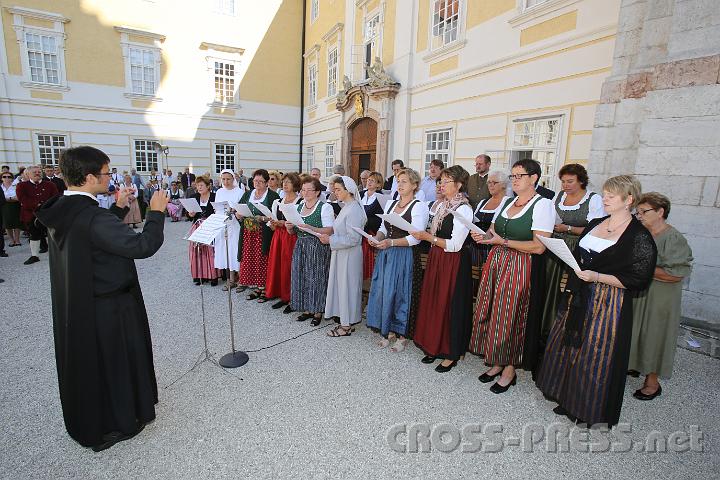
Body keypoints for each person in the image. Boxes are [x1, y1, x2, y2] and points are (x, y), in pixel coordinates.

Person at [35, 145, 169, 452]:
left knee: (100, 362)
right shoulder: (91, 217)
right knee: (115, 362)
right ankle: (119, 420)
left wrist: (118, 209)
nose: (111, 178)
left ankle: (103, 412)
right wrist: (156, 212)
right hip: (109, 306)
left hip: (83, 301)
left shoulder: (64, 208)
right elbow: (142, 246)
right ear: (89, 177)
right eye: (107, 173)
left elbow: (89, 238)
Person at [535, 175, 656, 427]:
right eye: (605, 194)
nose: (605, 199)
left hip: (608, 301)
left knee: (595, 353)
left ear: (629, 199)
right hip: (580, 292)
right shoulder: (596, 223)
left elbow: (639, 279)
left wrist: (598, 276)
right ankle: (565, 396)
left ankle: (586, 407)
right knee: (570, 344)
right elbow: (579, 255)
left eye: (612, 195)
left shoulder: (639, 236)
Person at [468, 159, 555, 394]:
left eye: (520, 176)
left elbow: (539, 247)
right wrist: (483, 236)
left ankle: (510, 368)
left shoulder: (542, 205)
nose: (515, 180)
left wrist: (502, 242)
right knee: (493, 309)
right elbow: (493, 231)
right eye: (513, 176)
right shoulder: (508, 202)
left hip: (521, 264)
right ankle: (496, 361)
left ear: (534, 178)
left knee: (512, 314)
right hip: (497, 260)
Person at [629, 192, 693, 401]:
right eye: (637, 212)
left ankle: (652, 382)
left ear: (660, 212)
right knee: (635, 330)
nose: (639, 216)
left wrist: (643, 269)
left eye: (643, 212)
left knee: (655, 336)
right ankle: (633, 365)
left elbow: (676, 274)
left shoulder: (673, 238)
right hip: (639, 292)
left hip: (661, 297)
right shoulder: (640, 233)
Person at [411, 165, 474, 372]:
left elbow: (455, 244)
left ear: (459, 185)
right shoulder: (442, 206)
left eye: (446, 181)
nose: (442, 185)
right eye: (441, 181)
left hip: (453, 261)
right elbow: (434, 231)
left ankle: (450, 352)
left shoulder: (463, 208)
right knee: (434, 301)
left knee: (449, 305)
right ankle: (434, 345)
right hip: (438, 256)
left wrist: (428, 237)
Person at [366, 168, 429, 350]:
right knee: (385, 290)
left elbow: (416, 237)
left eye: (404, 181)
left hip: (404, 254)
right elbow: (383, 228)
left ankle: (402, 335)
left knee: (401, 293)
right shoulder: (390, 204)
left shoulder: (419, 206)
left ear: (414, 185)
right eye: (398, 181)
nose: (400, 185)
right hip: (387, 253)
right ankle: (388, 330)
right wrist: (376, 238)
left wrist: (390, 243)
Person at [540, 164, 605, 336]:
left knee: (569, 287)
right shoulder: (559, 196)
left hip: (578, 248)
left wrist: (568, 228)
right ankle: (545, 322)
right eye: (563, 182)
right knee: (549, 283)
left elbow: (596, 229)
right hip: (555, 246)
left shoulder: (593, 199)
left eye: (570, 181)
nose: (565, 185)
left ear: (581, 181)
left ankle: (562, 325)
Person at [321, 176, 367, 336]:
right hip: (341, 253)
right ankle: (346, 320)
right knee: (342, 286)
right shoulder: (347, 206)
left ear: (349, 190)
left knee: (347, 287)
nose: (335, 193)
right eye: (334, 190)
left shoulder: (354, 209)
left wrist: (330, 239)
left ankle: (346, 326)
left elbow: (354, 239)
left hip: (349, 255)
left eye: (339, 189)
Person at [287, 177, 334, 325]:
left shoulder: (324, 207)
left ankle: (318, 311)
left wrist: (311, 228)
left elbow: (330, 230)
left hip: (317, 246)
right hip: (301, 244)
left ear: (317, 192)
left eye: (309, 190)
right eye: (303, 189)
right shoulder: (299, 206)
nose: (305, 192)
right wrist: (289, 227)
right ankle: (307, 308)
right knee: (301, 276)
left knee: (316, 278)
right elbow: (293, 232)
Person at [236, 169, 280, 301]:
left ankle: (266, 288)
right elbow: (240, 208)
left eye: (261, 181)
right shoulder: (248, 194)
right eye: (255, 181)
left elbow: (276, 217)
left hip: (264, 234)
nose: (257, 183)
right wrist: (238, 214)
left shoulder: (273, 196)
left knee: (263, 259)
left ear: (267, 183)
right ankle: (257, 287)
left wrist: (263, 218)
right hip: (249, 233)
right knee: (251, 259)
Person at [265, 172, 302, 312]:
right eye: (284, 182)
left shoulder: (300, 202)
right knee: (278, 265)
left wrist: (285, 223)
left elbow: (300, 222)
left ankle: (292, 297)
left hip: (292, 237)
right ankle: (281, 295)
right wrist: (273, 223)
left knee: (289, 267)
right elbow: (272, 222)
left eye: (289, 182)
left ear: (295, 184)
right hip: (278, 236)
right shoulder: (277, 202)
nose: (285, 184)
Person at [469, 170, 509, 293]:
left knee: (489, 278)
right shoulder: (483, 202)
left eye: (494, 182)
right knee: (474, 276)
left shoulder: (508, 202)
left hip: (493, 246)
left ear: (503, 184)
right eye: (489, 183)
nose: (490, 185)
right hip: (475, 245)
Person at [16, 165, 59, 265]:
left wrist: (45, 207)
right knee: (34, 235)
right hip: (30, 215)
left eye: (39, 172)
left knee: (52, 235)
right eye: (34, 172)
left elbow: (55, 198)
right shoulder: (22, 186)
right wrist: (38, 204)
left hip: (48, 214)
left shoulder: (50, 185)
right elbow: (22, 199)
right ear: (28, 174)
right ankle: (34, 255)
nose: (37, 173)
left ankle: (57, 254)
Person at [214, 169, 245, 290]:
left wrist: (234, 210)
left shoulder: (239, 192)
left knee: (235, 250)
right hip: (223, 224)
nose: (226, 181)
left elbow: (241, 208)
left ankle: (241, 279)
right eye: (224, 179)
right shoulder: (219, 192)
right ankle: (231, 279)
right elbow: (217, 207)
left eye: (228, 179)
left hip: (235, 225)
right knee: (226, 251)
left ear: (233, 179)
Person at [187, 176, 218, 286]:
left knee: (210, 251)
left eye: (201, 185)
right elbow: (190, 215)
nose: (199, 187)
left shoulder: (215, 197)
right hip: (197, 226)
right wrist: (190, 214)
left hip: (210, 226)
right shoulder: (194, 197)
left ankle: (212, 276)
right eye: (197, 185)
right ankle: (199, 276)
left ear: (208, 186)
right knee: (196, 251)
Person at [359, 172, 385, 281]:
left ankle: (368, 280)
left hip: (372, 233)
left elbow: (380, 217)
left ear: (378, 185)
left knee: (367, 259)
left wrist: (366, 220)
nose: (368, 182)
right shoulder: (360, 194)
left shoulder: (381, 197)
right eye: (368, 179)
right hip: (359, 231)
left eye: (372, 180)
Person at [2, 170, 22, 247]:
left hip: (15, 206)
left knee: (16, 223)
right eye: (4, 177)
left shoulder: (16, 186)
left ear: (12, 178)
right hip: (4, 207)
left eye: (9, 177)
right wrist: (11, 198)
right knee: (7, 224)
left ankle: (17, 240)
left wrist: (7, 198)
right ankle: (11, 240)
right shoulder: (0, 187)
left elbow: (17, 198)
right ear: (1, 178)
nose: (7, 178)